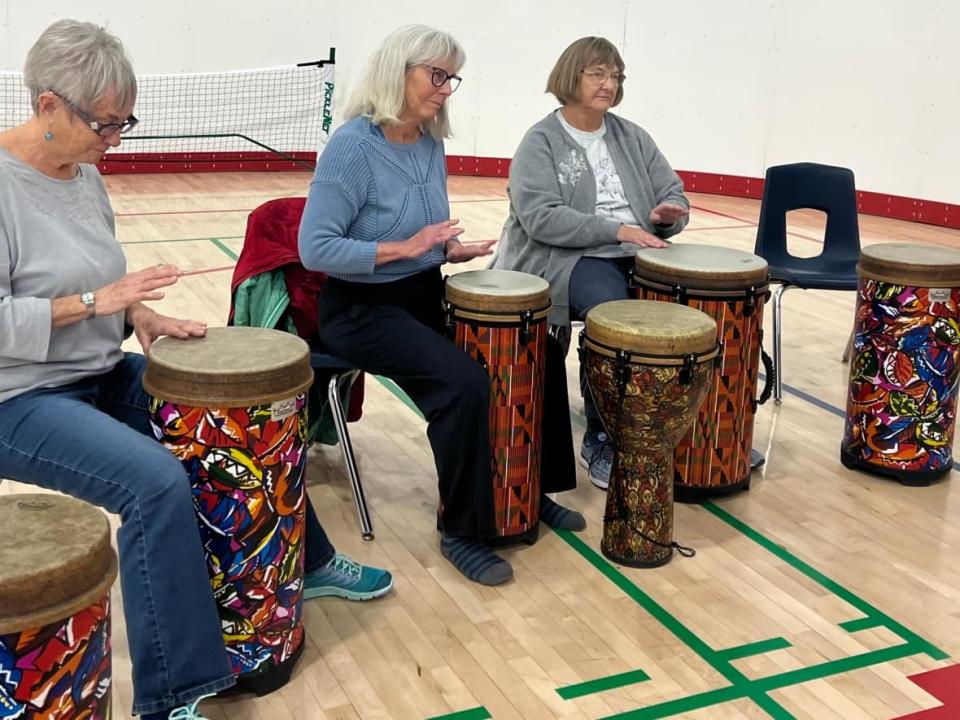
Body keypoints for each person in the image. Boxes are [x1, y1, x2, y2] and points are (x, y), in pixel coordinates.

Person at [0, 20, 390, 720]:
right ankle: (173, 692)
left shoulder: (83, 176)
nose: (115, 139)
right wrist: (100, 301)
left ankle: (311, 563)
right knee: (153, 483)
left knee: (230, 419)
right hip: (18, 397)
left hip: (94, 369)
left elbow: (100, 290)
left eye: (125, 122)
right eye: (104, 123)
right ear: (48, 104)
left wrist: (139, 321)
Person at [299, 24, 585, 588]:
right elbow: (316, 248)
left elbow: (420, 232)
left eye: (451, 77)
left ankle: (528, 492)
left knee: (538, 351)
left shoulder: (430, 142)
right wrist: (405, 247)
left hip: (423, 291)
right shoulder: (352, 147)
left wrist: (449, 249)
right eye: (436, 75)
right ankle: (463, 529)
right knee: (463, 385)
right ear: (396, 70)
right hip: (360, 309)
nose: (446, 88)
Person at [491, 36, 691, 490]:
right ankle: (602, 435)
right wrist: (617, 230)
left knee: (689, 305)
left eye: (615, 75)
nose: (609, 83)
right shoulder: (541, 141)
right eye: (597, 73)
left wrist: (668, 216)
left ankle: (681, 430)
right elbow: (541, 218)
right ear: (571, 76)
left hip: (636, 250)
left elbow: (672, 191)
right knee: (614, 313)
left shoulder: (631, 135)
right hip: (569, 257)